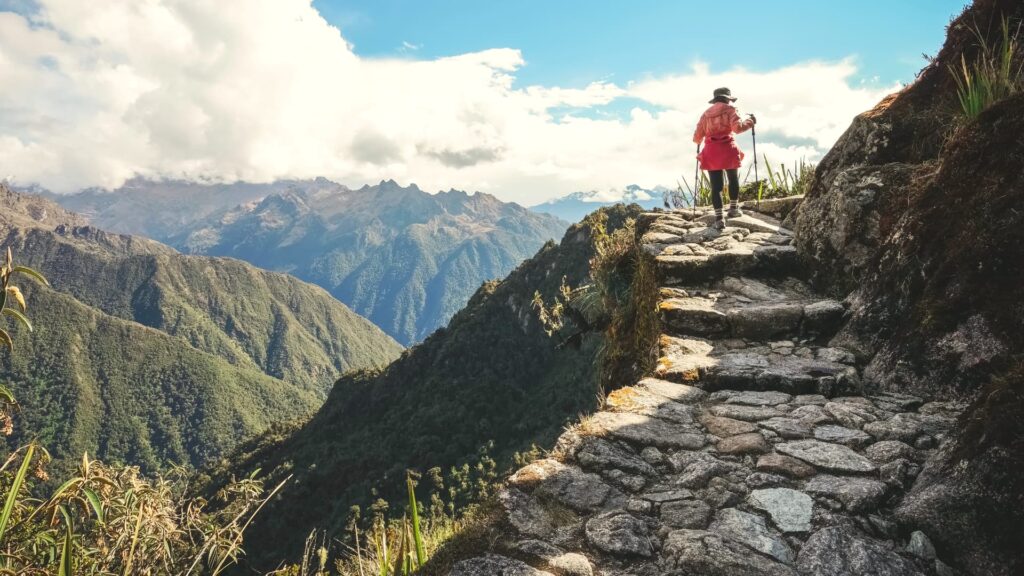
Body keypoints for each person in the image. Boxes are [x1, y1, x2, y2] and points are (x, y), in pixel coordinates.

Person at [693, 87, 755, 230]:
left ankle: (719, 219)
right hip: (728, 149)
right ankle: (733, 209)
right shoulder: (730, 110)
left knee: (716, 187)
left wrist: (699, 141)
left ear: (715, 100)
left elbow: (697, 137)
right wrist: (750, 121)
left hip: (711, 151)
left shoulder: (705, 114)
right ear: (727, 98)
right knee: (733, 179)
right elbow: (738, 129)